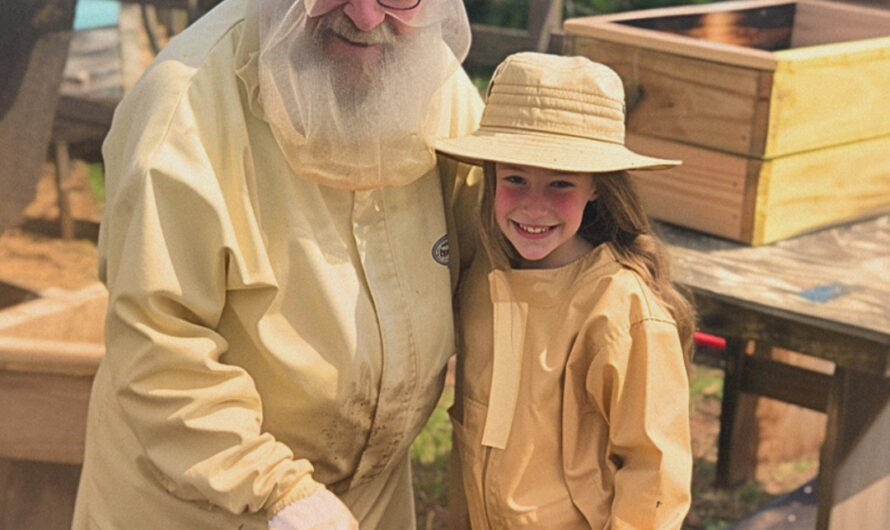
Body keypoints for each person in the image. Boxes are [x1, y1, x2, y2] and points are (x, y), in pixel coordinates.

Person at [71, 0, 483, 528]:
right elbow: (156, 345)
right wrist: (278, 492)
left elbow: (495, 244)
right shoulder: (186, 106)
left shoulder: (433, 80)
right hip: (204, 505)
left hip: (369, 503)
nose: (363, 16)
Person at [436, 52, 695, 529]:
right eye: (515, 179)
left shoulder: (620, 308)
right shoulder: (482, 277)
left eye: (560, 184)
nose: (534, 207)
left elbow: (655, 473)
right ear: (491, 174)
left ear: (597, 186)